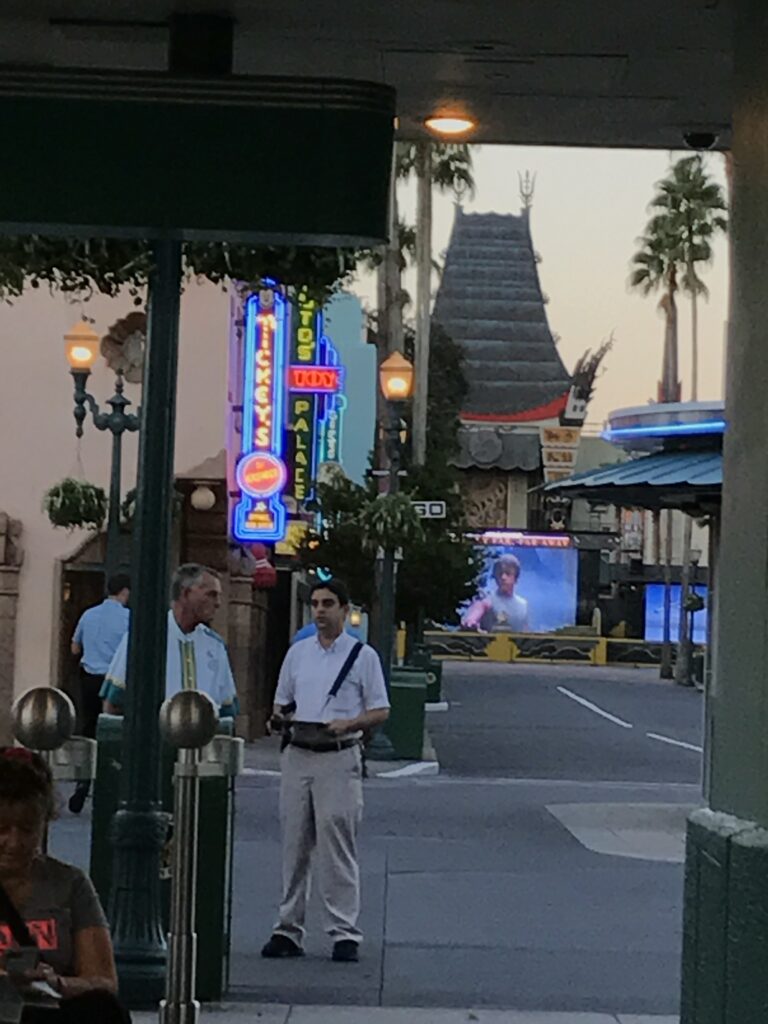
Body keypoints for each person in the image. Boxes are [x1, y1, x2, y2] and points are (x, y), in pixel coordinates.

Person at [261, 578, 389, 964]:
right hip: (299, 752)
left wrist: (349, 724)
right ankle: (288, 928)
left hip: (338, 754)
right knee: (294, 845)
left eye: (327, 603)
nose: (319, 610)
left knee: (338, 844)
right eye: (315, 603)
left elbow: (380, 709)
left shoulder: (362, 657)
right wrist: (280, 718)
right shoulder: (298, 654)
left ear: (343, 609)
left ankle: (344, 932)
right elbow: (282, 702)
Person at [0, 747, 130, 1023]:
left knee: (103, 1008)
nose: (14, 842)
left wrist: (57, 983)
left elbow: (104, 981)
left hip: (45, 1010)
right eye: (2, 829)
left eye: (26, 829)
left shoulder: (69, 884)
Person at [100, 564, 238, 719]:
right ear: (185, 593)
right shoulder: (146, 638)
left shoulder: (215, 645)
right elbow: (114, 702)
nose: (218, 603)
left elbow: (227, 711)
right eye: (211, 594)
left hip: (202, 741)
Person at [68, 574, 131, 814]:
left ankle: (83, 780)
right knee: (114, 731)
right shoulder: (128, 618)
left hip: (89, 679)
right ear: (125, 592)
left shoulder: (88, 614)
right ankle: (109, 781)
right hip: (114, 681)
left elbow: (75, 647)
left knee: (90, 729)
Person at [462, 554, 529, 632]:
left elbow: (526, 635)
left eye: (508, 573)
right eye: (500, 573)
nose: (503, 577)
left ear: (515, 578)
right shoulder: (486, 600)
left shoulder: (523, 605)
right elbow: (472, 618)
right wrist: (471, 622)